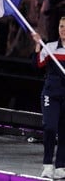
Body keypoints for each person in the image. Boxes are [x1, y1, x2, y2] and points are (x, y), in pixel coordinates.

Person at [32, 20, 65, 179]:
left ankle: (61, 166)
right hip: (51, 94)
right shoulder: (50, 47)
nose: (63, 30)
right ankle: (47, 165)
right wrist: (38, 45)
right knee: (50, 127)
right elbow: (37, 65)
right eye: (61, 26)